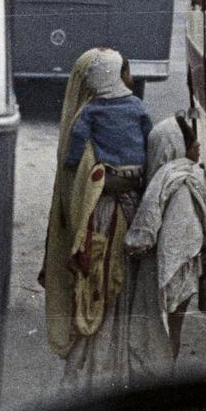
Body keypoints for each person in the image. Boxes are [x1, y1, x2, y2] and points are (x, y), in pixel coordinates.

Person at [42, 49, 160, 389]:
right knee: (104, 293)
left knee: (114, 293)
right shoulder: (102, 116)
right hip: (107, 220)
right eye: (126, 72)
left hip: (115, 218)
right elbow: (91, 176)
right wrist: (128, 182)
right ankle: (96, 380)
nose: (131, 79)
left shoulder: (91, 117)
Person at [128, 112, 206, 359]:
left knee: (159, 331)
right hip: (176, 271)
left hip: (162, 267)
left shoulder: (164, 178)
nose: (198, 145)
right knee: (170, 331)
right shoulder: (182, 184)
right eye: (192, 143)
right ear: (176, 148)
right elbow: (181, 236)